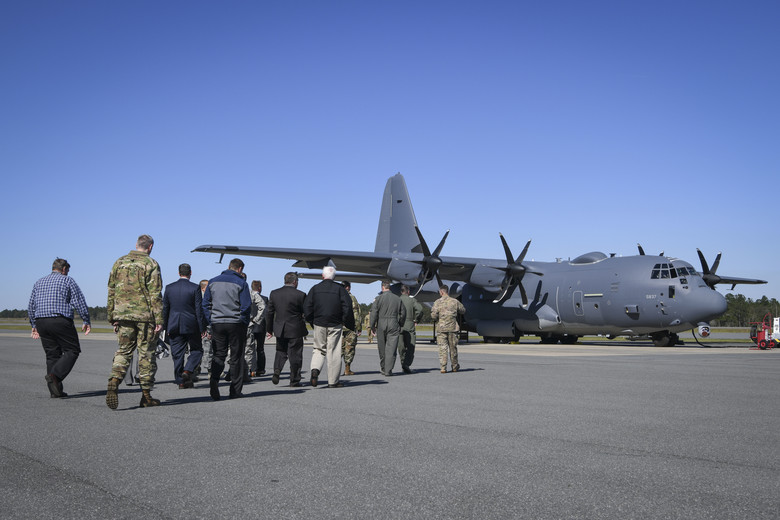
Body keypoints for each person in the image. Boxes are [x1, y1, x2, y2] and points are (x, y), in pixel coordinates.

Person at [106, 234, 164, 409]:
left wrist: (112, 316)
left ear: (136, 245)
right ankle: (146, 395)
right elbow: (155, 293)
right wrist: (159, 319)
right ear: (150, 246)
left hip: (122, 314)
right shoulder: (151, 264)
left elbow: (111, 290)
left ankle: (114, 380)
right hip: (144, 317)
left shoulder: (119, 262)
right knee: (146, 354)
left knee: (123, 351)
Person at [28, 258, 91, 398]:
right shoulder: (67, 280)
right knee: (72, 350)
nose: (67, 273)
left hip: (41, 321)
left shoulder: (39, 282)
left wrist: (33, 325)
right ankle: (55, 376)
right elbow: (79, 301)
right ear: (63, 269)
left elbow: (31, 305)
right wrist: (86, 319)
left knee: (52, 354)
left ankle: (55, 391)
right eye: (67, 271)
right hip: (59, 320)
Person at [202, 258, 251, 400]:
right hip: (235, 323)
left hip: (217, 323)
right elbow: (246, 306)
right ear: (240, 269)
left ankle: (214, 382)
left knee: (219, 354)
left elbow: (206, 304)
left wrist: (211, 320)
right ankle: (235, 390)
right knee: (236, 356)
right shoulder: (241, 283)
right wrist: (243, 321)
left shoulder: (213, 281)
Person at [304, 266, 355, 388]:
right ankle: (332, 381)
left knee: (318, 349)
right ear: (334, 277)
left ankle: (315, 369)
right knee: (334, 352)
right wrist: (345, 322)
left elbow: (307, 307)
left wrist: (312, 321)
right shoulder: (340, 289)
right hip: (335, 324)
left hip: (319, 322)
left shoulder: (315, 289)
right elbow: (347, 306)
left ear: (322, 276)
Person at [162, 263, 207, 389]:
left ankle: (181, 381)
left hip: (174, 324)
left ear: (178, 273)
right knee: (197, 350)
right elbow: (199, 309)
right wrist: (202, 327)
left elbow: (165, 308)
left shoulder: (169, 288)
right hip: (191, 324)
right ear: (190, 273)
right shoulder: (194, 288)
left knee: (177, 354)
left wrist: (165, 326)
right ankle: (187, 370)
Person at [266, 272, 308, 387]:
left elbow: (269, 313)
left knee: (280, 352)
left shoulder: (274, 294)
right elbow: (306, 313)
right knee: (295, 355)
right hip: (295, 329)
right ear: (295, 282)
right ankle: (294, 380)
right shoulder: (301, 295)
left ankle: (277, 370)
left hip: (280, 328)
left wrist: (269, 329)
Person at [369, 280, 406, 376]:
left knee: (382, 347)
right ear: (389, 287)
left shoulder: (378, 299)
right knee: (391, 348)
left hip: (381, 323)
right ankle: (388, 370)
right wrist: (400, 323)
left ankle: (383, 367)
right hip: (393, 322)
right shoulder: (397, 299)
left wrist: (372, 326)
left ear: (382, 287)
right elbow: (403, 313)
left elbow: (373, 313)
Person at [430, 284, 466, 373]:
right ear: (447, 291)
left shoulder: (437, 302)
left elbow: (433, 316)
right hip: (453, 328)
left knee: (442, 348)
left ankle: (443, 367)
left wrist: (439, 317)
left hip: (441, 329)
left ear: (441, 292)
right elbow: (463, 310)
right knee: (453, 348)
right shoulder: (455, 301)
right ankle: (454, 366)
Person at [399, 284, 424, 374]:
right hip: (409, 325)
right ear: (408, 291)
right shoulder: (411, 300)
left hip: (398, 326)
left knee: (401, 346)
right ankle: (406, 364)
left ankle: (403, 363)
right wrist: (416, 319)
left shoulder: (397, 300)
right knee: (410, 346)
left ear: (401, 292)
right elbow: (420, 310)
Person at [246, 280, 268, 377]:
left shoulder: (246, 297)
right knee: (260, 349)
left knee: (249, 348)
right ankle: (260, 369)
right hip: (259, 326)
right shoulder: (264, 298)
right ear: (260, 288)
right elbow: (266, 314)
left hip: (249, 325)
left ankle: (251, 368)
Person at [341, 281, 361, 375]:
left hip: (338, 327)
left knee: (337, 349)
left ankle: (335, 369)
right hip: (349, 327)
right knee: (349, 348)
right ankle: (347, 368)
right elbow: (356, 313)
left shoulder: (337, 297)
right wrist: (358, 327)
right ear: (348, 287)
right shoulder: (351, 298)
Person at [198, 279, 212, 376]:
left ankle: (209, 369)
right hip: (201, 327)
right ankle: (198, 368)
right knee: (201, 350)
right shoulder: (200, 300)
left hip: (206, 328)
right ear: (203, 288)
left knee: (208, 350)